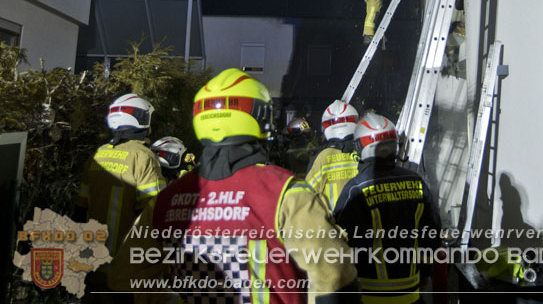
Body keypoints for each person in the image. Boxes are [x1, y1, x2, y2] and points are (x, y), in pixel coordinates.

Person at [109, 68, 360, 303]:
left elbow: (122, 284)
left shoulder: (166, 201)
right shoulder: (285, 194)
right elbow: (336, 281)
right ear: (260, 119)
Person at [334, 111, 440, 303]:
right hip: (411, 295)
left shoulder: (356, 188)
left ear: (360, 147)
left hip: (367, 296)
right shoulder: (416, 182)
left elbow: (338, 244)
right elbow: (432, 235)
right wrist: (424, 273)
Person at [74, 93, 166, 301]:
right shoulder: (142, 157)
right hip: (126, 271)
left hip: (91, 266)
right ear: (141, 120)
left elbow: (80, 209)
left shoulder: (99, 154)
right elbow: (157, 213)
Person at [306, 100, 360, 210]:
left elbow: (306, 195)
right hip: (364, 220)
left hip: (334, 223)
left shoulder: (323, 157)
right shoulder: (363, 152)